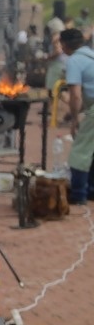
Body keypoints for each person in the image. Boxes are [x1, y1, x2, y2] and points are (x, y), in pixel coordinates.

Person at [60, 28, 94, 204]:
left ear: (64, 45)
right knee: (92, 148)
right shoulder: (91, 55)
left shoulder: (74, 61)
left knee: (80, 150)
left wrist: (74, 120)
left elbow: (75, 95)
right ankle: (91, 190)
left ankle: (79, 194)